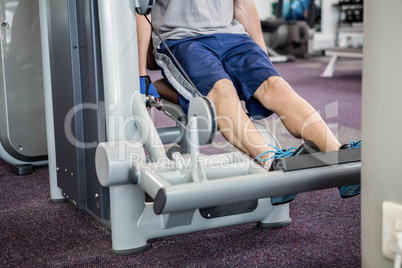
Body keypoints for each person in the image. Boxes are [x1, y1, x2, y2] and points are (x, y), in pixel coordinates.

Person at [136, 0, 360, 204]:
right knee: (223, 91)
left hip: (233, 36)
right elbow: (140, 8)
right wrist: (140, 73)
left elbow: (242, 4)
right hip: (182, 40)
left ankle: (339, 156)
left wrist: (262, 56)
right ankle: (272, 165)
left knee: (275, 86)